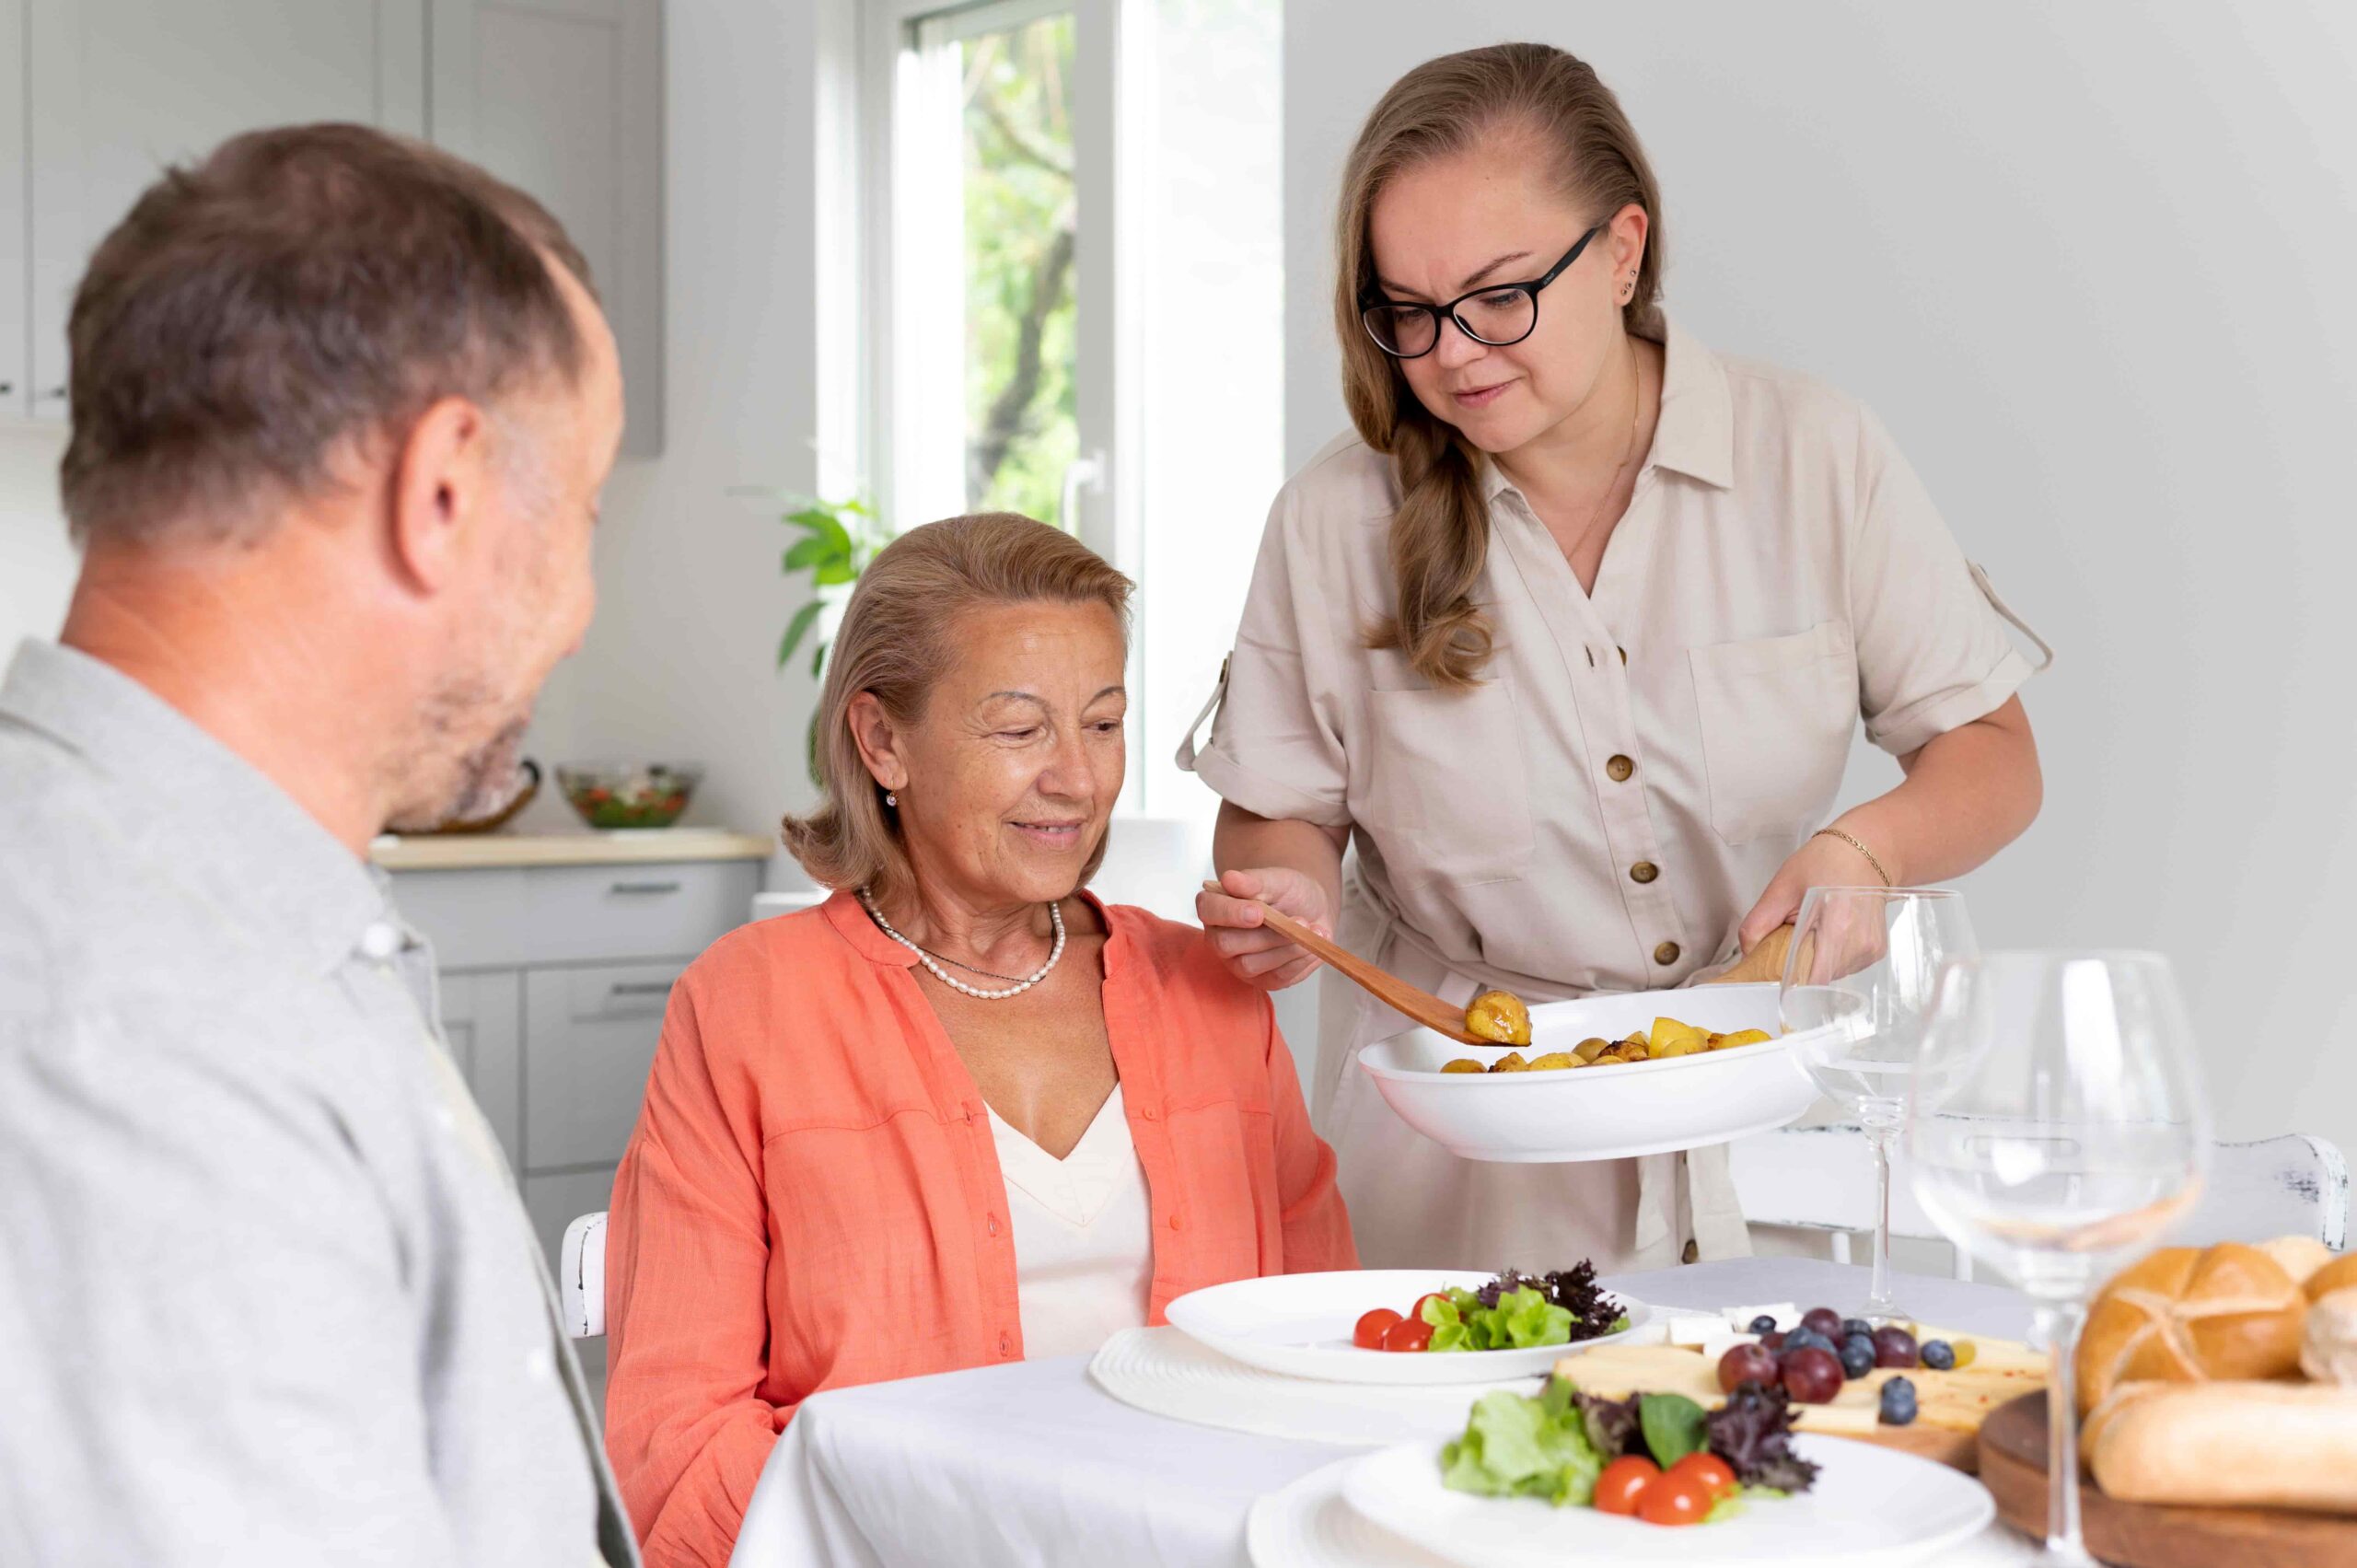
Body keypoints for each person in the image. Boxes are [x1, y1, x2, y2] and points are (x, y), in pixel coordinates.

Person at [1187, 42, 2049, 1273]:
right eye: (1410, 313)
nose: (1455, 354)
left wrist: (1867, 854)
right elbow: (1274, 819)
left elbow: (1994, 753)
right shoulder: (1334, 519)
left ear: (1624, 249)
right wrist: (1290, 899)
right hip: (1463, 1162)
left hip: (1761, 1114)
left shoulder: (1814, 453)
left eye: (1499, 296)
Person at [0, 125, 633, 1564]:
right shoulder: (138, 1030)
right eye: (584, 516)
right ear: (446, 492)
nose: (584, 601)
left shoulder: (207, 911)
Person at [602, 513, 1355, 1564]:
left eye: (1102, 723)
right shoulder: (745, 1005)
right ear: (882, 741)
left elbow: (1327, 1359)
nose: (1079, 778)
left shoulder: (1210, 991)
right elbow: (672, 1450)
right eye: (1018, 729)